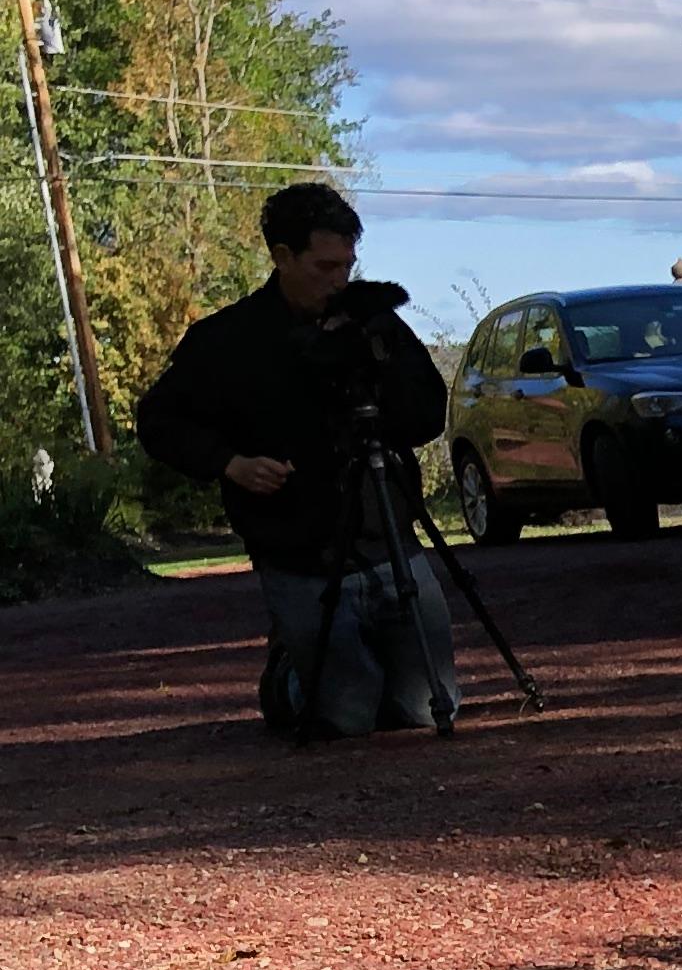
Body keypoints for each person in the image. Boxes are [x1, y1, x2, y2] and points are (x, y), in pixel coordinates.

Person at [133, 179, 460, 737]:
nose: (339, 282)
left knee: (424, 711)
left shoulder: (376, 323)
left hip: (388, 542)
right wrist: (230, 462)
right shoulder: (225, 341)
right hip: (297, 551)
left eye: (347, 267)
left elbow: (429, 415)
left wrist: (375, 367)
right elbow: (159, 423)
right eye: (324, 267)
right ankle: (289, 670)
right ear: (282, 257)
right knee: (344, 719)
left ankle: (343, 662)